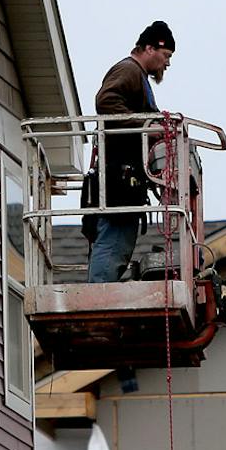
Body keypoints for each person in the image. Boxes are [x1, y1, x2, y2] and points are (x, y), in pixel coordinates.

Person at [85, 21, 176, 282]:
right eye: (166, 55)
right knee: (114, 240)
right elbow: (106, 101)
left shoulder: (137, 75)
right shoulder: (129, 70)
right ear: (150, 48)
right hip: (119, 176)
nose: (167, 63)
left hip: (124, 176)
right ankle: (99, 294)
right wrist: (147, 127)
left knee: (118, 241)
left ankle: (101, 290)